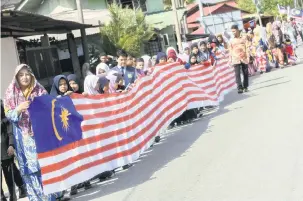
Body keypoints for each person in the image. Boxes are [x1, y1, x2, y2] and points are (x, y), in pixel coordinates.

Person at [3, 64, 66, 201]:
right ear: (16, 77)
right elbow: (8, 115)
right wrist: (18, 109)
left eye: (27, 74)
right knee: (30, 170)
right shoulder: (10, 93)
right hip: (23, 139)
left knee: (45, 166)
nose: (25, 77)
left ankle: (52, 196)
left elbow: (51, 109)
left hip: (41, 135)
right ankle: (36, 198)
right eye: (21, 75)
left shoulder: (39, 90)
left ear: (31, 75)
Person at [1, 100, 27, 201]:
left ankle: (17, 191)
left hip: (6, 151)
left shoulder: (5, 120)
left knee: (10, 173)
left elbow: (10, 134)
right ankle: (2, 196)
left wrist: (11, 145)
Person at [229, 24, 249, 94]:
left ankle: (245, 86)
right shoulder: (231, 40)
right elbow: (230, 50)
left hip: (244, 57)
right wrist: (230, 59)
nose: (233, 33)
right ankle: (239, 87)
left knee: (245, 72)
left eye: (234, 31)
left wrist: (248, 55)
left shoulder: (244, 38)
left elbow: (247, 46)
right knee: (237, 74)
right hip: (235, 58)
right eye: (232, 31)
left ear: (237, 30)